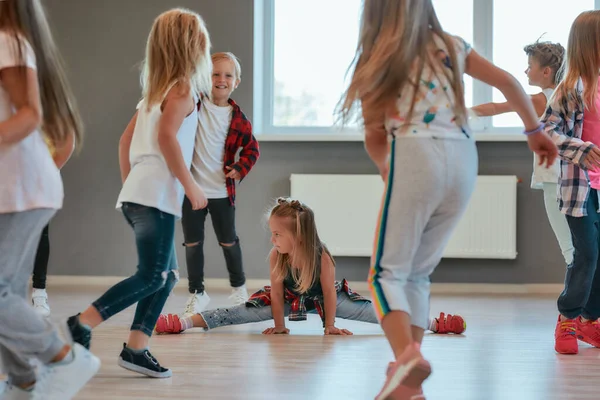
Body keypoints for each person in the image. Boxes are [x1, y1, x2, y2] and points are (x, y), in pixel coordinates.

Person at [337, 0, 558, 398]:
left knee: (385, 274)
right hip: (464, 158)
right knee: (418, 273)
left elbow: (374, 135)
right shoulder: (450, 44)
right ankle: (408, 376)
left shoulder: (379, 54)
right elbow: (509, 81)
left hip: (415, 153)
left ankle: (405, 356)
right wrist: (535, 131)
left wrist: (391, 174)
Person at [65, 8, 212, 378]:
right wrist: (191, 185)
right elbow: (166, 139)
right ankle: (82, 322)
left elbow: (124, 142)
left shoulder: (154, 94)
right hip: (154, 197)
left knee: (166, 276)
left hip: (140, 194)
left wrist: (132, 185)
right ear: (195, 46)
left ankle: (136, 347)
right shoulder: (183, 90)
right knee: (151, 275)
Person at [0, 0, 99, 398]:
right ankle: (24, 380)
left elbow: (30, 115)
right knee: (5, 293)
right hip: (13, 189)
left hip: (24, 187)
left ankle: (64, 358)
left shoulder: (8, 41)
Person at [182, 52, 259, 317]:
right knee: (192, 243)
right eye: (215, 74)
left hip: (221, 191)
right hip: (192, 189)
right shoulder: (194, 105)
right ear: (206, 77)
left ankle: (239, 289)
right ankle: (197, 293)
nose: (221, 79)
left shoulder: (238, 119)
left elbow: (252, 149)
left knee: (229, 241)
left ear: (236, 82)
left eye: (228, 75)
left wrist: (239, 168)